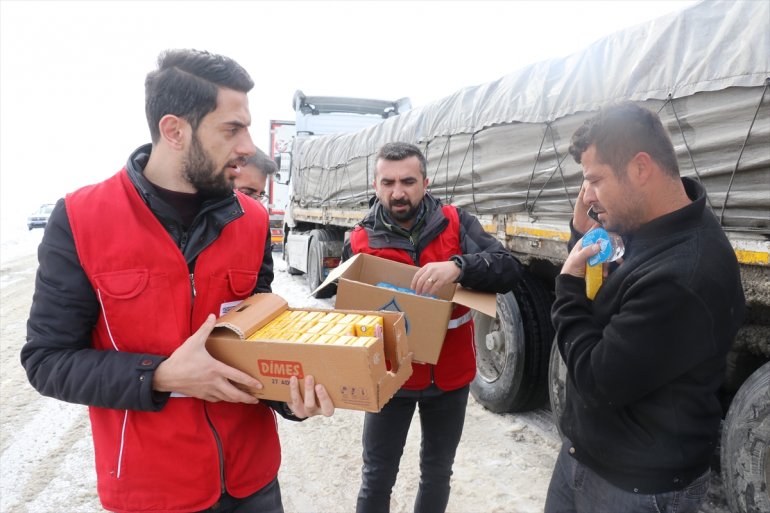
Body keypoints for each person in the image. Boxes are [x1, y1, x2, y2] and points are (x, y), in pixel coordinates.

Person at [21, 49, 334, 513]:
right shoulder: (82, 219)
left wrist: (291, 399)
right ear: (174, 131)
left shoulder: (251, 221)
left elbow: (259, 337)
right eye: (231, 129)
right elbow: (46, 361)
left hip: (253, 482)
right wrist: (162, 375)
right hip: (152, 491)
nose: (248, 146)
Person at [546, 102, 745, 513]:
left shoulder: (685, 273)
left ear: (640, 168)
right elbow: (604, 302)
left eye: (595, 180)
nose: (587, 196)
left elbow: (597, 381)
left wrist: (566, 287)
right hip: (586, 456)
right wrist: (582, 240)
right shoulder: (644, 223)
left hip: (637, 489)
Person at [343, 142, 523, 513]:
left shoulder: (456, 223)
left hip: (449, 379)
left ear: (425, 183)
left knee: (438, 473)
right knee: (377, 476)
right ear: (375, 185)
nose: (398, 192)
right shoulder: (359, 240)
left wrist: (460, 266)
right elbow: (348, 314)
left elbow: (508, 268)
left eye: (408, 181)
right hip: (391, 379)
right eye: (388, 182)